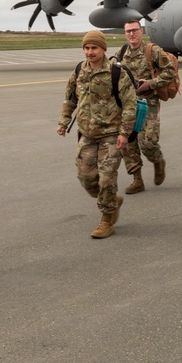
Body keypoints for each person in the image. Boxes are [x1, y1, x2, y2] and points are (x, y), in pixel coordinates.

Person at [57, 30, 137, 239]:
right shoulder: (79, 71)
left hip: (111, 134)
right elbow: (70, 99)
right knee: (85, 177)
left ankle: (107, 219)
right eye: (86, 48)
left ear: (103, 49)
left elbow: (129, 104)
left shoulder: (115, 72)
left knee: (106, 179)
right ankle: (111, 200)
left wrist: (124, 133)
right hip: (87, 134)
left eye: (94, 48)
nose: (89, 52)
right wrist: (63, 122)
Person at [114, 19, 177, 194]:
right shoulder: (121, 52)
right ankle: (137, 179)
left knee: (148, 141)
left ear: (141, 31)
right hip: (127, 104)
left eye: (134, 30)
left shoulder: (152, 51)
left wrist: (151, 83)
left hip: (148, 103)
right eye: (128, 31)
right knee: (128, 142)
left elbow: (170, 70)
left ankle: (157, 160)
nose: (131, 34)